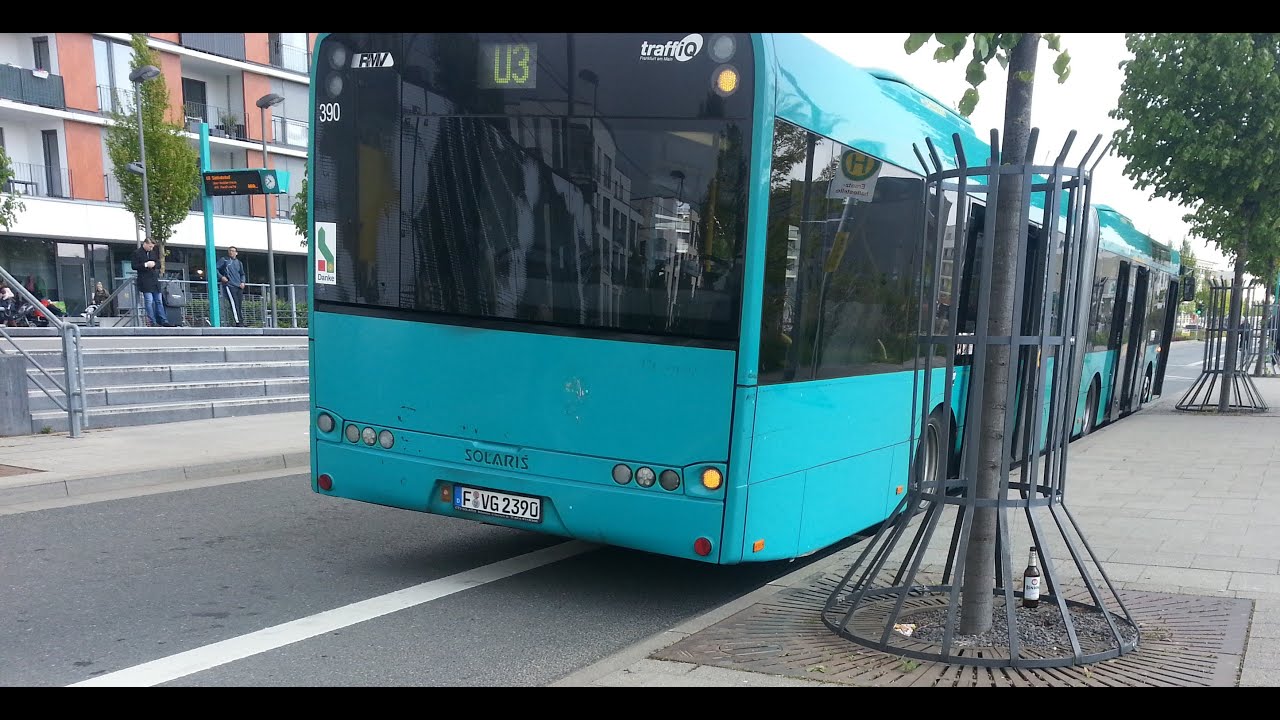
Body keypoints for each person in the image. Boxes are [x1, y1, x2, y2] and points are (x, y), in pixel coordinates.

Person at [131, 238, 173, 327]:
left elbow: (159, 264)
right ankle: (152, 321)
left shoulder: (153, 253)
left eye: (152, 247)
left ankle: (163, 320)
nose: (151, 248)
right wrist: (146, 265)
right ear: (145, 244)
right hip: (144, 280)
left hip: (154, 279)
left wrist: (154, 264)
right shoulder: (137, 253)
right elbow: (134, 266)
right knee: (149, 301)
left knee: (159, 301)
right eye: (150, 246)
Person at [216, 246, 247, 327]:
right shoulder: (224, 260)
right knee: (234, 303)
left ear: (236, 253)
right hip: (229, 285)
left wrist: (243, 282)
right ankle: (238, 322)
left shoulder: (239, 263)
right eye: (230, 251)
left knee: (239, 304)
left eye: (233, 251)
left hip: (239, 286)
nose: (231, 252)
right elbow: (215, 269)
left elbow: (242, 274)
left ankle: (241, 321)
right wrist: (221, 277)